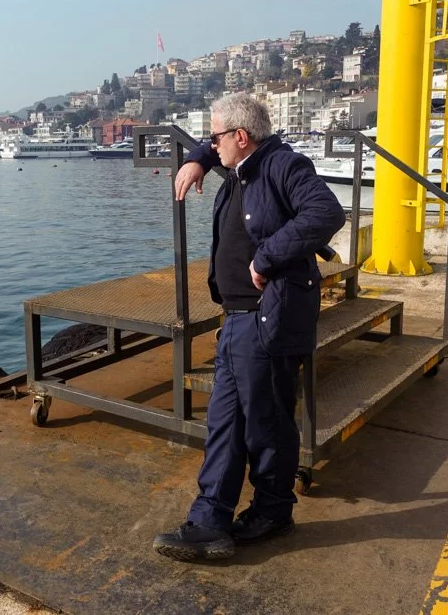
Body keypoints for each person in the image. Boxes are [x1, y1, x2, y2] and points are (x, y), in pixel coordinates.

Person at [153, 92, 346, 561]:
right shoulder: (241, 166)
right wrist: (199, 158)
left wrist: (267, 255)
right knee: (226, 423)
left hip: (268, 319)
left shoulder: (282, 166)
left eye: (216, 138)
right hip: (240, 319)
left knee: (266, 423)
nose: (211, 145)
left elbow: (326, 212)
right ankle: (212, 519)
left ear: (241, 137)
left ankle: (269, 510)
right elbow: (216, 148)